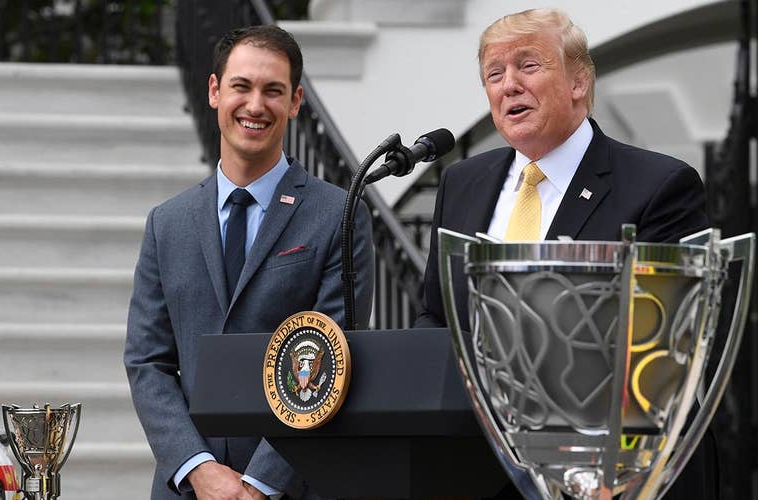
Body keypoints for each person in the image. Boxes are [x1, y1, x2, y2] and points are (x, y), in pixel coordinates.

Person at [414, 8, 715, 500]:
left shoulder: (659, 186)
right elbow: (437, 316)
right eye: (495, 73)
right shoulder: (462, 183)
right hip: (479, 467)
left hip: (612, 472)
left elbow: (669, 344)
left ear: (578, 82)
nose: (508, 84)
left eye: (528, 66)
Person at [125, 25, 374, 500]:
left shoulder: (338, 216)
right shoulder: (167, 223)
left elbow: (333, 361)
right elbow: (146, 361)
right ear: (215, 91)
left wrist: (259, 484)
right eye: (241, 86)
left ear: (296, 101)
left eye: (273, 91)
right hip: (187, 489)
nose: (255, 105)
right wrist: (199, 470)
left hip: (295, 486)